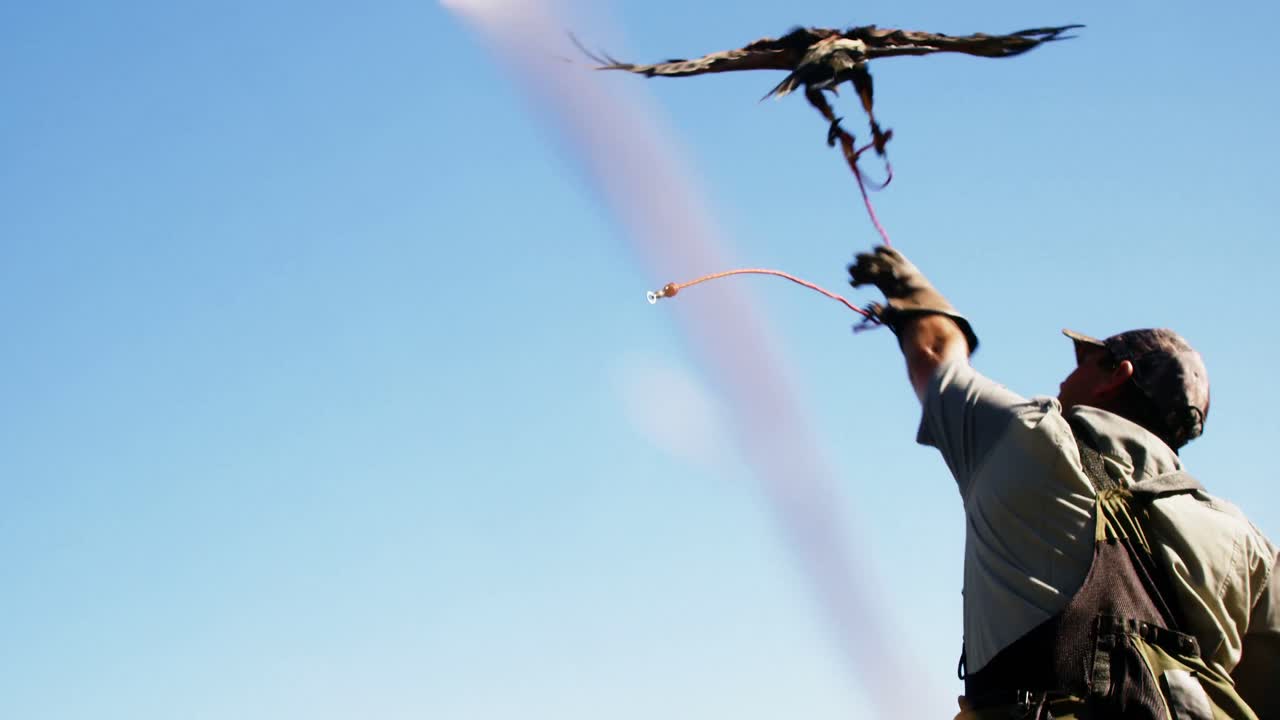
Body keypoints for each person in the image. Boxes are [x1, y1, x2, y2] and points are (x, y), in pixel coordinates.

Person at [847, 246, 1279, 719]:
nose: (1064, 375)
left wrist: (908, 287)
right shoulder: (1244, 540)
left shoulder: (1032, 441)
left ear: (1118, 375)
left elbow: (936, 352)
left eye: (1085, 360)